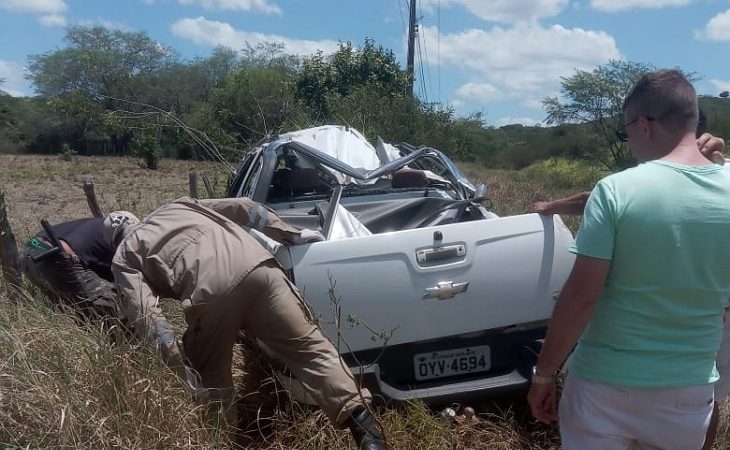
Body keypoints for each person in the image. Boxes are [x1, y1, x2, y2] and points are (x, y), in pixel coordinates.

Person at [527, 69, 730, 450]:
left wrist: (544, 374)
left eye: (626, 132)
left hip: (605, 387)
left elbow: (582, 296)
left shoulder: (615, 191)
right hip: (688, 391)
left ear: (643, 125)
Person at [104, 196, 387, 450]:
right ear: (136, 218)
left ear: (113, 242)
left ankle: (222, 441)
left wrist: (180, 367)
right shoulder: (179, 205)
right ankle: (367, 433)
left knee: (212, 381)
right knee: (311, 351)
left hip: (210, 293)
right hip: (260, 268)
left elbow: (149, 319)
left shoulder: (124, 256)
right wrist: (289, 233)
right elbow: (245, 207)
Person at [21, 216, 124, 323]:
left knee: (74, 310)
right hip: (54, 256)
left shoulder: (108, 225)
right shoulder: (128, 243)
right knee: (115, 308)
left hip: (32, 248)